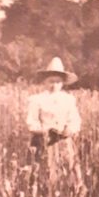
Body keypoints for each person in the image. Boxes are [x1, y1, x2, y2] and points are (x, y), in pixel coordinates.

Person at [25, 56, 84, 187]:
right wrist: (45, 131)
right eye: (51, 81)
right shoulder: (36, 100)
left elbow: (75, 120)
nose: (54, 85)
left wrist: (69, 129)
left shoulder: (68, 100)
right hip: (42, 143)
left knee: (67, 176)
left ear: (62, 83)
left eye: (57, 82)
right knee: (41, 177)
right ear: (45, 82)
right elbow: (31, 122)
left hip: (63, 143)